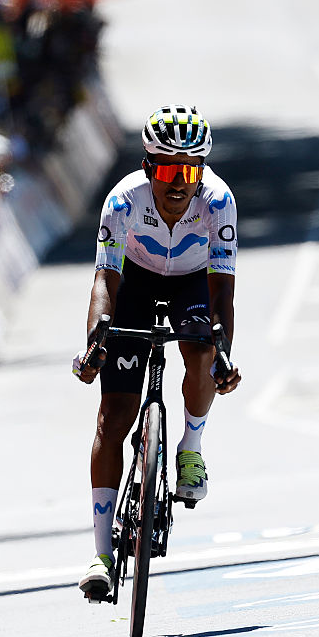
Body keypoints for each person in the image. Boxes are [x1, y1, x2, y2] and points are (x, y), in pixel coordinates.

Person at [72, 104, 242, 597]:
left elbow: (222, 290)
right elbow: (105, 280)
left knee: (202, 351)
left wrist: (224, 350)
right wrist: (94, 345)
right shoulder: (123, 202)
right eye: (167, 169)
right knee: (113, 415)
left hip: (193, 282)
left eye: (189, 170)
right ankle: (101, 553)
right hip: (136, 284)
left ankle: (191, 448)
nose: (178, 182)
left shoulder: (218, 201)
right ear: (148, 168)